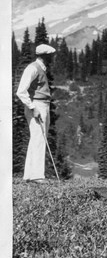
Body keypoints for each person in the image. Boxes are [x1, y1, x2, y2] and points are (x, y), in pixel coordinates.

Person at [16, 43, 57, 183]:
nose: (52, 58)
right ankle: (37, 176)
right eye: (50, 56)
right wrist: (33, 107)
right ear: (44, 56)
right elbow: (21, 91)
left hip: (42, 105)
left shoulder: (41, 68)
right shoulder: (33, 68)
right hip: (37, 105)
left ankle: (29, 175)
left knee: (37, 138)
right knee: (39, 138)